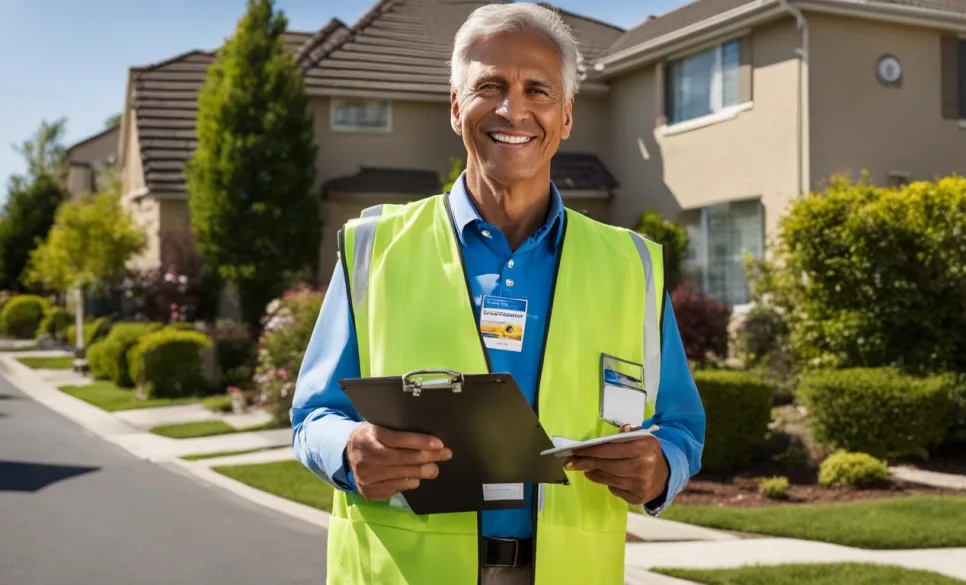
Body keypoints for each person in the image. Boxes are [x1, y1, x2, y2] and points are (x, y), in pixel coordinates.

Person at [291, 4, 706, 584]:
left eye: (538, 90)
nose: (514, 109)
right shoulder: (373, 249)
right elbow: (313, 415)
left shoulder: (632, 265)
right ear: (456, 106)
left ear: (565, 117)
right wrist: (348, 448)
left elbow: (681, 424)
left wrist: (664, 466)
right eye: (490, 86)